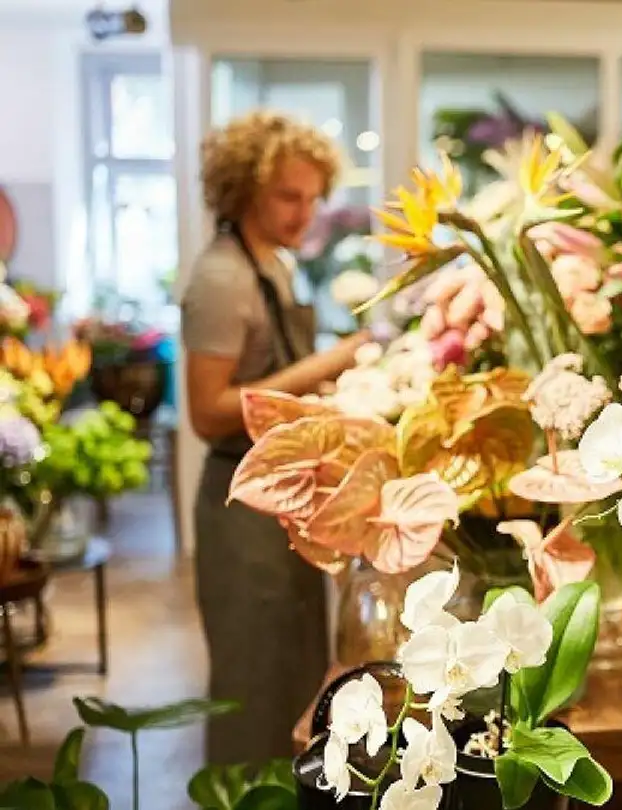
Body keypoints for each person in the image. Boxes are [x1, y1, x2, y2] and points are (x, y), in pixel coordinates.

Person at [182, 111, 372, 764]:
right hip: (243, 513)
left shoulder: (274, 264)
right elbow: (206, 412)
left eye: (314, 197)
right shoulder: (221, 279)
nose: (304, 212)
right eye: (288, 196)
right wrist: (326, 365)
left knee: (291, 673)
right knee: (251, 684)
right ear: (243, 190)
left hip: (284, 501)